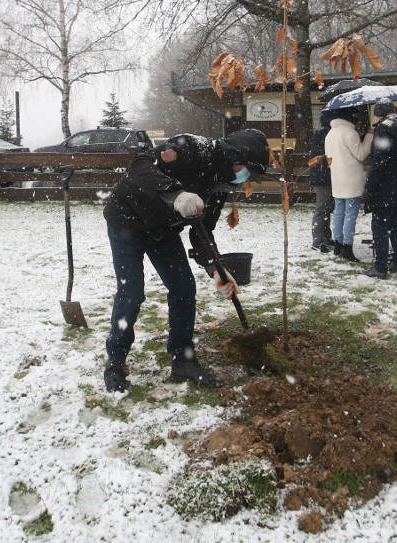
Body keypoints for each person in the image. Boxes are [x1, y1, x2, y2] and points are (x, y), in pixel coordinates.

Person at [102, 130, 270, 392]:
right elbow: (139, 166)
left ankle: (183, 359)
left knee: (183, 289)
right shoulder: (191, 148)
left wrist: (216, 269)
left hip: (163, 232)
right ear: (236, 157)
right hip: (127, 221)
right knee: (131, 291)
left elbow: (202, 231)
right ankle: (116, 360)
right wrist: (175, 194)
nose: (244, 178)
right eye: (247, 170)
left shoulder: (220, 184)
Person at [361, 98, 397, 279]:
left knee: (379, 226)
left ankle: (380, 267)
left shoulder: (383, 129)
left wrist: (369, 189)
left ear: (379, 115)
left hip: (385, 188)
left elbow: (379, 163)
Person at [324, 105, 373, 262]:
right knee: (350, 214)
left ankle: (338, 244)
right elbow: (361, 154)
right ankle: (347, 247)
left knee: (339, 212)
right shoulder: (349, 132)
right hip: (351, 180)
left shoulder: (330, 133)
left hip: (337, 179)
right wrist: (369, 137)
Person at [308, 110, 335, 253]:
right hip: (324, 177)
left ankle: (324, 237)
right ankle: (318, 240)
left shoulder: (320, 133)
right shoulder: (326, 134)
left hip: (321, 176)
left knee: (325, 208)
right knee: (322, 208)